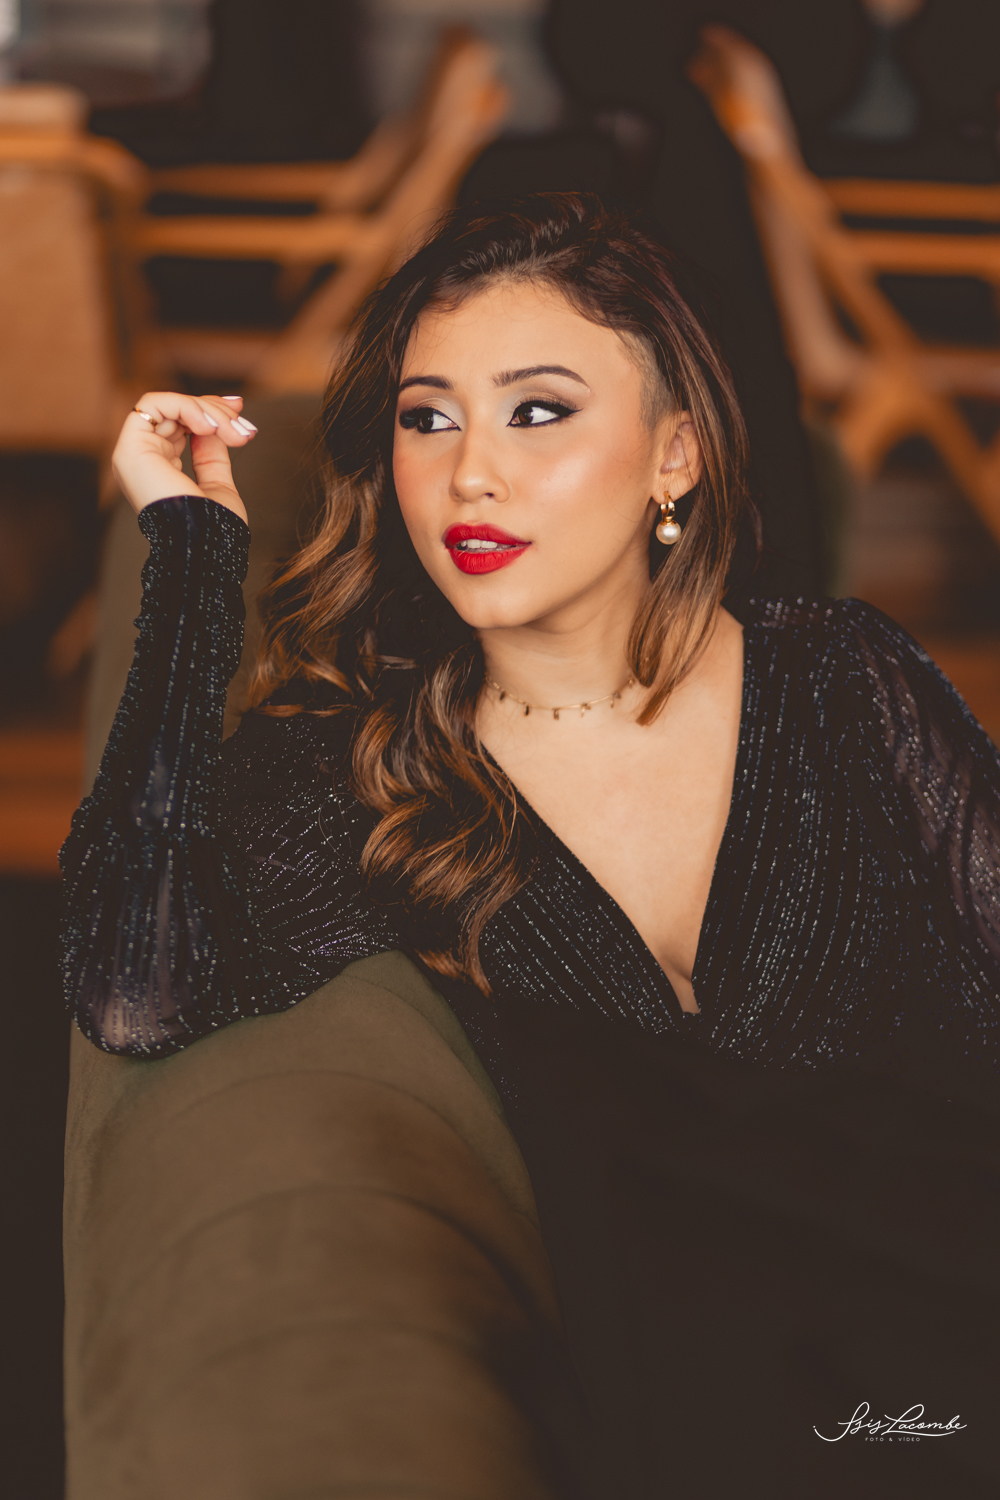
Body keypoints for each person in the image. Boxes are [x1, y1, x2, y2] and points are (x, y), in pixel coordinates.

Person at [61, 194, 1000, 1496]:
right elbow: (132, 985)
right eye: (428, 418)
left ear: (675, 455)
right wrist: (191, 558)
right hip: (708, 1437)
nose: (471, 475)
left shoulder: (847, 680)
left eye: (539, 410)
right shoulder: (365, 765)